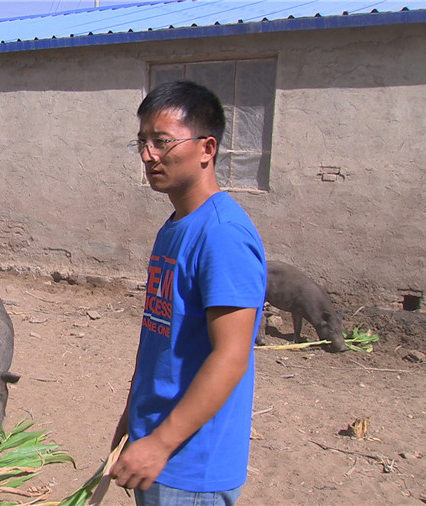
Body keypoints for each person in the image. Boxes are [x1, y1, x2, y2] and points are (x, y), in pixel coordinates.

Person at [108, 80, 267, 505]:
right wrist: (134, 416)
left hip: (189, 464)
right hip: (157, 441)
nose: (147, 155)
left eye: (162, 142)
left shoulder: (223, 235)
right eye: (141, 142)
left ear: (206, 148)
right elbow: (163, 340)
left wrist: (160, 444)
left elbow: (231, 356)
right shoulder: (177, 225)